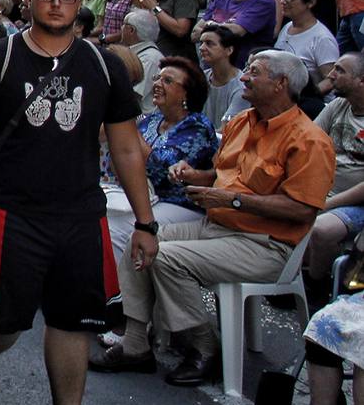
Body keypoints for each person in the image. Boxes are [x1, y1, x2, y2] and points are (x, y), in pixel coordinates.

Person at [0, 0, 157, 405]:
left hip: (79, 214)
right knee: (3, 322)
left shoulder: (103, 66)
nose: (56, 4)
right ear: (29, 0)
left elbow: (127, 146)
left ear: (78, 6)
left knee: (73, 324)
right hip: (10, 210)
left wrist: (146, 223)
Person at [95, 50, 334, 386]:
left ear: (280, 84)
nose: (245, 78)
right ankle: (135, 343)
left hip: (265, 244)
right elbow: (221, 175)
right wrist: (196, 176)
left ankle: (205, 345)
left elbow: (302, 210)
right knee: (142, 237)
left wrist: (232, 200)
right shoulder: (242, 122)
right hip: (217, 227)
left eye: (254, 72)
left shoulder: (309, 140)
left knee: (167, 258)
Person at [103, 57, 217, 258]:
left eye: (168, 81)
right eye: (157, 78)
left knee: (116, 229)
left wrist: (126, 119)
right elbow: (121, 161)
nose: (157, 84)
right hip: (145, 198)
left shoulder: (197, 127)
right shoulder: (152, 120)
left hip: (179, 204)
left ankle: (118, 288)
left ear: (186, 93)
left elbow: (162, 167)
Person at [306, 54, 364, 288]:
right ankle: (285, 278)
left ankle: (315, 286)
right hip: (323, 190)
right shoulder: (340, 105)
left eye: (340, 70)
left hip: (355, 202)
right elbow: (308, 141)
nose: (330, 75)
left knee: (322, 228)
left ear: (361, 80)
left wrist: (326, 203)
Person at [275, 0, 339, 106]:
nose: (282, 1)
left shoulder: (322, 38)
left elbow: (331, 79)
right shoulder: (287, 27)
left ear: (310, 3)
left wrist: (305, 96)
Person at [197, 25, 249, 127]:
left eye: (209, 43)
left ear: (229, 50)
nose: (201, 48)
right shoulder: (200, 78)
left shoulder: (242, 87)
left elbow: (228, 129)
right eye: (201, 43)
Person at [120, 10, 164, 113]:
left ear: (131, 30)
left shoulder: (150, 58)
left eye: (124, 25)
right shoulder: (136, 53)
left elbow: (132, 95)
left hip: (143, 120)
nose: (121, 28)